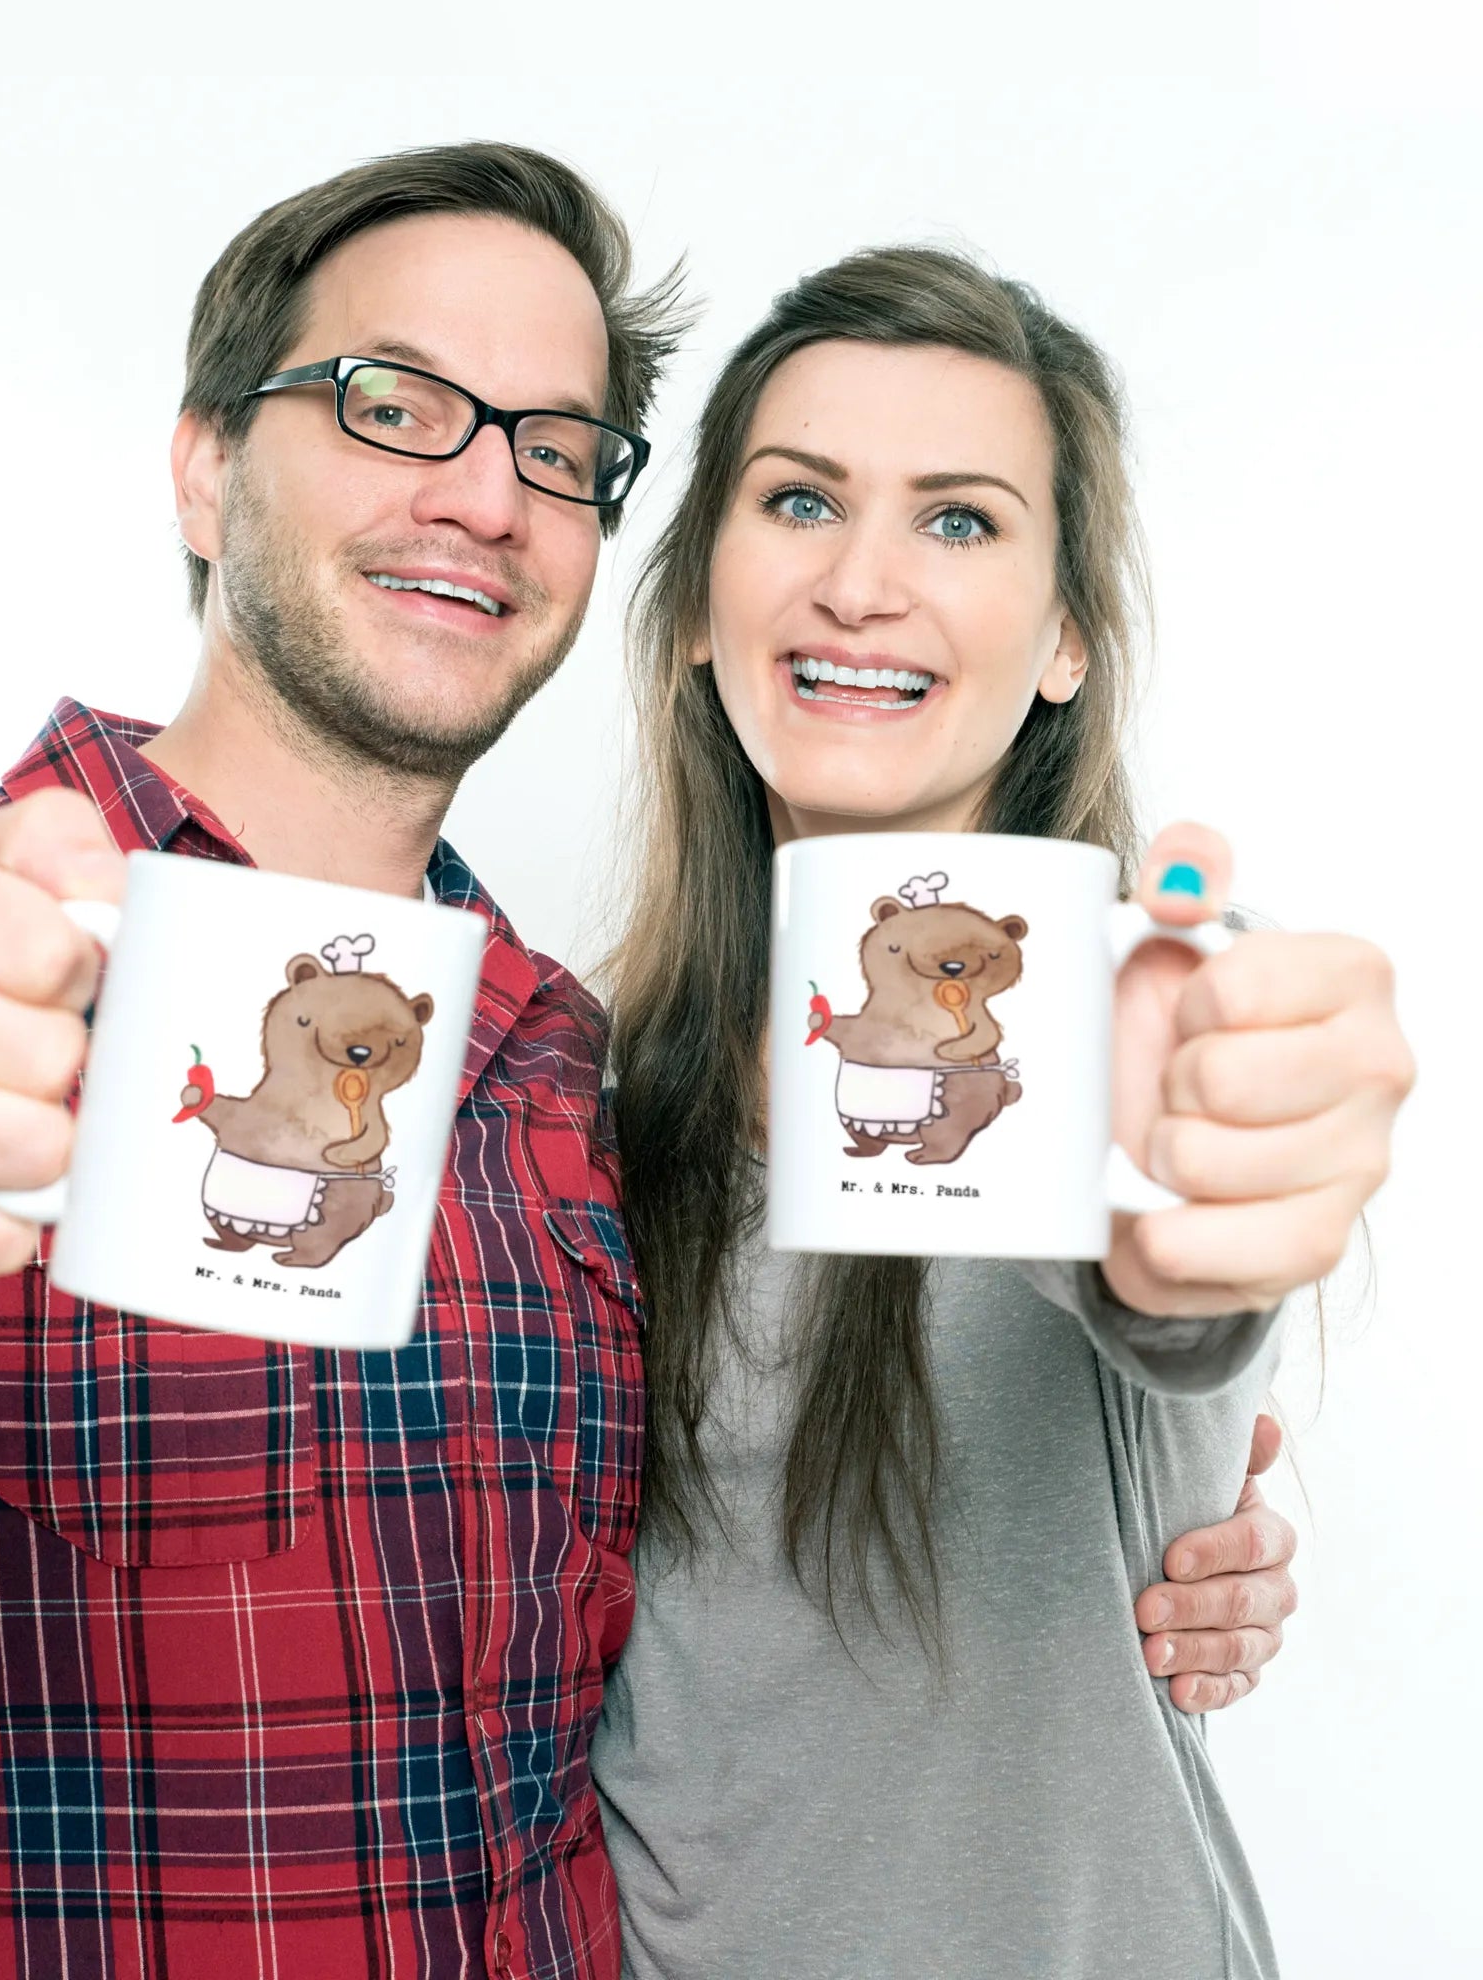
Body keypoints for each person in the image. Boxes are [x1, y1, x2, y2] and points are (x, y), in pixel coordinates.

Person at [0, 143, 1302, 1980]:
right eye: (394, 404)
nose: (483, 494)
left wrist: (1188, 1469)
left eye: (554, 447)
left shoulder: (565, 1072)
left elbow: (1036, 1374)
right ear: (206, 464)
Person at [592, 247, 1414, 1978]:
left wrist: (1205, 1208)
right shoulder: (582, 1096)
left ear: (1064, 642)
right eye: (800, 500)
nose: (861, 583)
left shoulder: (1137, 1017)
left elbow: (1168, 1279)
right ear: (695, 607)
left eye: (959, 520)